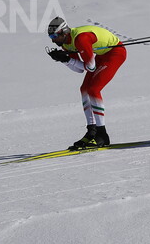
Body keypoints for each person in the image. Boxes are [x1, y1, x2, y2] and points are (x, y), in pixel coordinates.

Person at [46, 17, 127, 150]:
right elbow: (78, 69)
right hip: (101, 55)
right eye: (50, 36)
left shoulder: (81, 39)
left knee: (94, 90)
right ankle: (92, 131)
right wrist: (65, 60)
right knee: (84, 89)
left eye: (54, 36)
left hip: (115, 53)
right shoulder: (66, 43)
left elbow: (89, 67)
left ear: (63, 32)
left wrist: (68, 59)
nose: (53, 40)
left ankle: (102, 135)